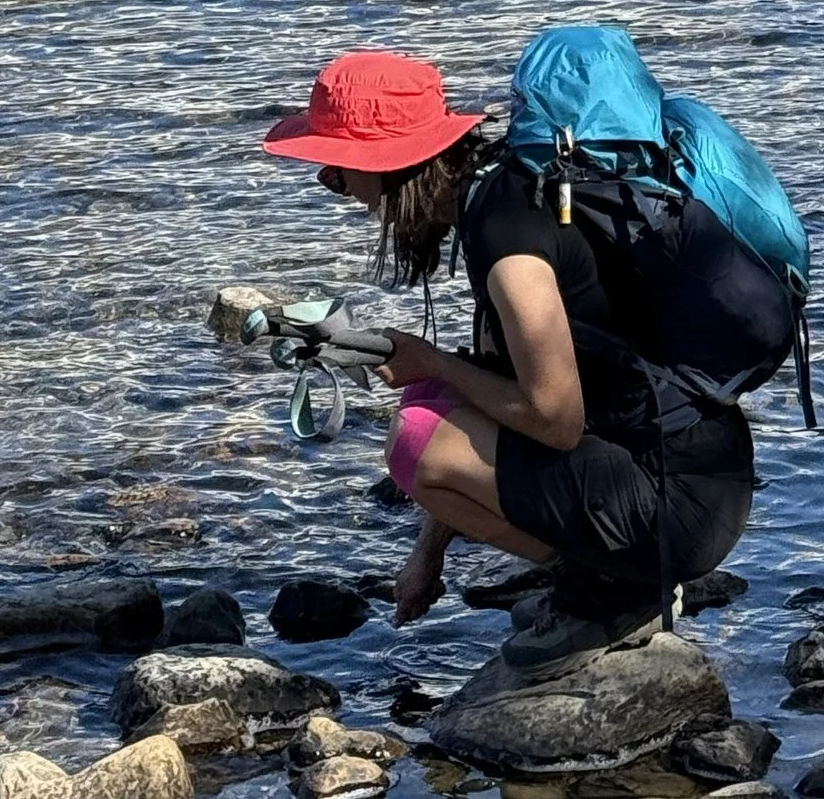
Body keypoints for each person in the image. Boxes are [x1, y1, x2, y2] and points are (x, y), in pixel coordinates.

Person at [261, 46, 756, 679]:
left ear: (390, 166)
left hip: (678, 509)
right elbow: (499, 391)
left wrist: (433, 361)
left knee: (415, 440)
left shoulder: (507, 238)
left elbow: (554, 420)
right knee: (431, 407)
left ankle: (615, 595)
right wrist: (427, 555)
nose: (330, 184)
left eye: (337, 167)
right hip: (695, 474)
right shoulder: (507, 191)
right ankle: (614, 574)